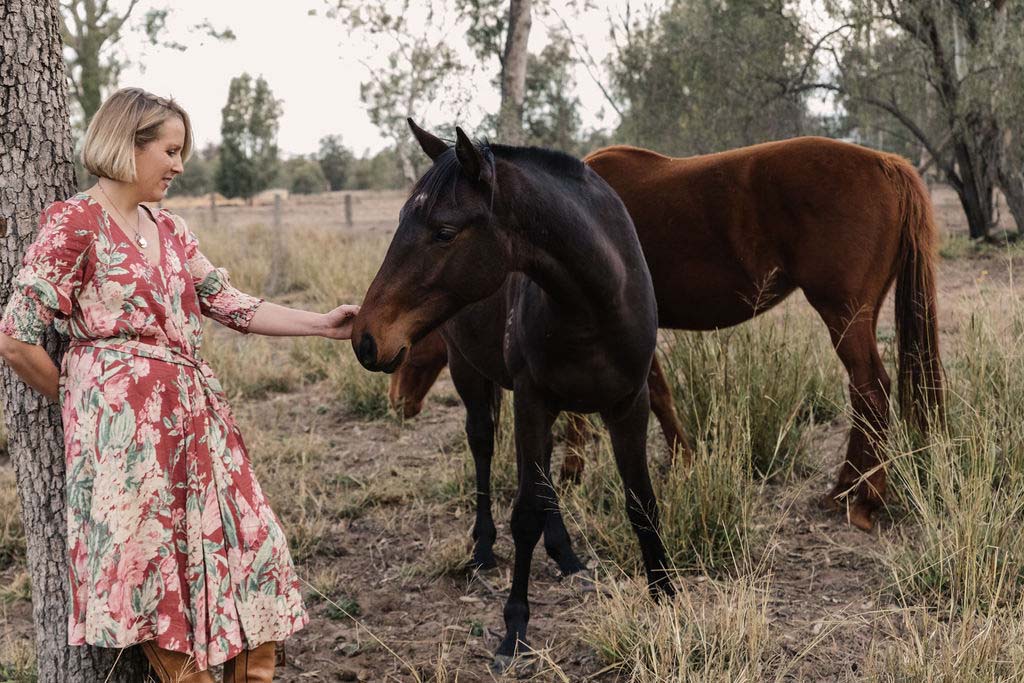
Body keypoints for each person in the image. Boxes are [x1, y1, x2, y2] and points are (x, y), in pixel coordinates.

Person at [0, 88, 358, 683]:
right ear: (127, 145)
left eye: (181, 151)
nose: (179, 165)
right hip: (121, 442)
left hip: (196, 417)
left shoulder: (170, 227)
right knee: (151, 572)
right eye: (169, 150)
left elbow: (226, 301)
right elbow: (16, 336)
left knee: (254, 545)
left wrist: (321, 325)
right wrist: (85, 399)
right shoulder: (76, 222)